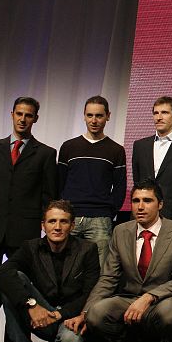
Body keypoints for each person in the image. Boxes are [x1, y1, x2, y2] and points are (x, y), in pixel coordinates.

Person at [66, 180, 172, 342]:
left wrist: (149, 297)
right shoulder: (121, 231)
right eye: (136, 201)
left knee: (171, 314)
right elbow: (108, 277)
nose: (140, 206)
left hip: (163, 300)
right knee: (97, 314)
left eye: (147, 201)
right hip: (129, 299)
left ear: (160, 204)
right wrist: (85, 312)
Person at [0, 200, 100, 342]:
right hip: (40, 313)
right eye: (52, 221)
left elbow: (90, 293)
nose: (57, 227)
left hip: (69, 317)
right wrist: (31, 304)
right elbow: (0, 273)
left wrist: (59, 314)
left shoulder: (87, 249)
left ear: (72, 226)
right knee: (13, 280)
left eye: (63, 222)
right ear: (43, 225)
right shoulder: (31, 247)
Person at [0, 96, 57, 265]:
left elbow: (49, 195)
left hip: (25, 229)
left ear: (35, 118)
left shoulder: (46, 154)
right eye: (19, 114)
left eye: (28, 115)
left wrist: (40, 220)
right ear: (12, 114)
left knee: (19, 281)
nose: (22, 119)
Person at [58, 95, 127, 265]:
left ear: (108, 116)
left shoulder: (116, 150)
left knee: (100, 269)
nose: (94, 120)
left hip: (100, 219)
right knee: (62, 265)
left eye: (99, 115)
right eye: (90, 115)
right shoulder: (69, 147)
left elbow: (120, 186)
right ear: (84, 116)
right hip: (70, 216)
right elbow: (59, 181)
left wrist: (109, 211)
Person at [132, 96, 172, 221]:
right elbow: (137, 182)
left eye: (164, 113)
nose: (159, 117)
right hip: (142, 215)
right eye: (156, 113)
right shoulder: (140, 146)